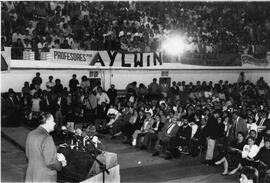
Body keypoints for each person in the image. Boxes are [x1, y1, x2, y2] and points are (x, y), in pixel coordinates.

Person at [25, 112, 67, 182]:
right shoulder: (47, 137)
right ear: (47, 121)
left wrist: (55, 148)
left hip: (32, 174)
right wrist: (61, 163)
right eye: (53, 121)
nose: (55, 123)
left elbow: (30, 153)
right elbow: (51, 162)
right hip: (44, 177)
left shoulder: (31, 133)